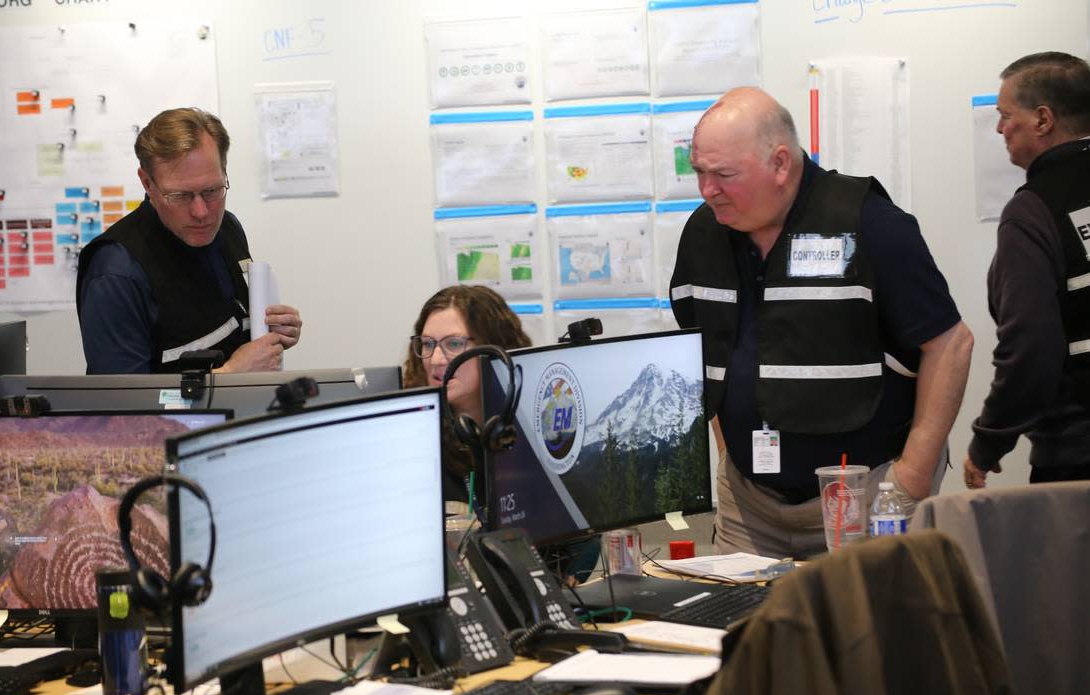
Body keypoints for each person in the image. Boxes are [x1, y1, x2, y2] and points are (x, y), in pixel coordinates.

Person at [669, 87, 973, 559]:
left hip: (865, 499)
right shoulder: (702, 234)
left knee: (865, 631)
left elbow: (950, 345)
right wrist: (730, 459)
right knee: (746, 630)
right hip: (750, 509)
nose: (708, 190)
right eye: (700, 173)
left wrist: (910, 479)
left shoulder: (868, 222)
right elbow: (705, 356)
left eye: (724, 175)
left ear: (781, 164)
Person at [76, 107, 302, 374]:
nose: (201, 212)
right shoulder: (116, 272)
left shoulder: (227, 227)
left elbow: (228, 328)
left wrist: (271, 333)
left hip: (244, 412)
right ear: (147, 183)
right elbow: (123, 409)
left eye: (212, 190)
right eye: (181, 196)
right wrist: (229, 376)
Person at [403, 285, 598, 582]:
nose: (437, 359)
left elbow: (584, 540)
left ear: (495, 347)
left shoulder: (538, 433)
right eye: (427, 344)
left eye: (453, 344)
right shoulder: (413, 443)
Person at [964, 53, 1090, 488]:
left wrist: (987, 444)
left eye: (1004, 116)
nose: (999, 129)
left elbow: (1031, 348)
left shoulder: (1033, 211)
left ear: (1042, 119)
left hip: (1076, 462)